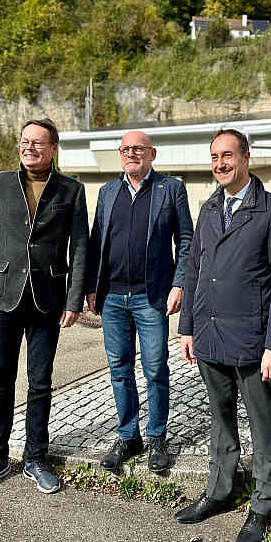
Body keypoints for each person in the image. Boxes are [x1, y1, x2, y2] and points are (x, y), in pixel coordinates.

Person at [175, 128, 271, 542]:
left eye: (227, 155)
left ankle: (264, 503)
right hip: (208, 334)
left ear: (246, 157)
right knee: (220, 416)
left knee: (262, 425)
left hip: (251, 340)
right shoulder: (209, 208)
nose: (220, 163)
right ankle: (220, 490)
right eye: (214, 157)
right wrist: (187, 327)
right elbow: (194, 270)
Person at [0, 118, 88, 495]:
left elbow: (80, 248)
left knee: (40, 383)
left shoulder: (71, 190)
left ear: (53, 149)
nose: (29, 147)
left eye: (37, 143)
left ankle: (36, 458)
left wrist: (74, 299)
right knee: (0, 381)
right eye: (24, 142)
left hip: (47, 299)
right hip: (2, 296)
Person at [87, 130, 193, 472]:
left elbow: (186, 241)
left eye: (138, 149)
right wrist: (92, 287)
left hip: (152, 298)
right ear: (120, 155)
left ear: (152, 154)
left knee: (155, 368)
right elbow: (95, 242)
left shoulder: (171, 189)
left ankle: (157, 436)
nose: (132, 153)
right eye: (125, 149)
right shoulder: (107, 192)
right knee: (120, 370)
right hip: (113, 297)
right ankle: (128, 435)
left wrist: (179, 284)